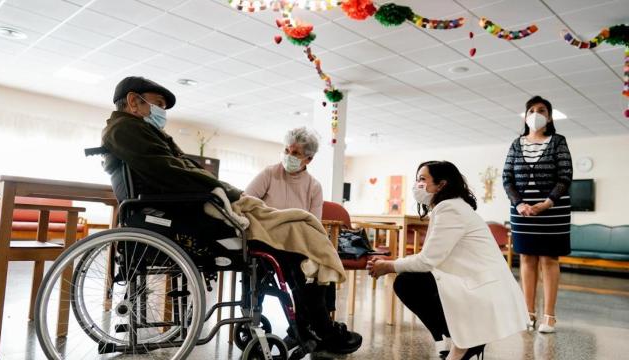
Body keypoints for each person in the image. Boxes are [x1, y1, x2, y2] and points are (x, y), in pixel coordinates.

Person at [101, 76, 362, 354]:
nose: (162, 112)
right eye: (159, 104)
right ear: (133, 101)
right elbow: (174, 171)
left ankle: (313, 327)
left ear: (308, 159)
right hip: (195, 213)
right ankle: (316, 328)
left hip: (204, 207)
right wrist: (218, 187)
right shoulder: (126, 130)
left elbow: (179, 167)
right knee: (300, 248)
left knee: (307, 241)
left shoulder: (136, 131)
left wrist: (217, 187)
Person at [367, 161, 527, 360]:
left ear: (441, 185)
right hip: (478, 283)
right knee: (413, 280)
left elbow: (427, 261)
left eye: (423, 179)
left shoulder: (450, 209)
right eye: (417, 179)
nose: (417, 184)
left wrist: (388, 265)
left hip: (483, 288)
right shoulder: (450, 207)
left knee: (408, 283)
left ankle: (468, 340)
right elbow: (433, 259)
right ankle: (463, 340)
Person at [502, 95, 573, 334]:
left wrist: (545, 204)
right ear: (525, 116)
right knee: (526, 258)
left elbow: (565, 177)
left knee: (549, 259)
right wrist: (519, 203)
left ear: (550, 116)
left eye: (541, 110)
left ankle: (549, 317)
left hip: (553, 212)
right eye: (531, 110)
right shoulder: (515, 143)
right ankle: (528, 313)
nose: (535, 113)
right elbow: (507, 179)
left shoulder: (558, 141)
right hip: (522, 213)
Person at [245, 126, 323, 219]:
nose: (288, 156)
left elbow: (314, 225)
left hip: (297, 232)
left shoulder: (314, 187)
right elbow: (245, 201)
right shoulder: (269, 173)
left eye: (295, 153)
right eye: (286, 150)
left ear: (309, 159)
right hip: (265, 230)